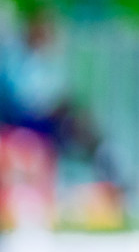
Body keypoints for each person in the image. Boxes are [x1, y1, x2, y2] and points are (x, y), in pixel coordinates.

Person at [0, 10, 126, 202]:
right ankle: (105, 167)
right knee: (74, 124)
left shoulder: (42, 62)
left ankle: (107, 167)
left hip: (44, 121)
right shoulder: (15, 60)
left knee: (78, 119)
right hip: (24, 123)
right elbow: (19, 101)